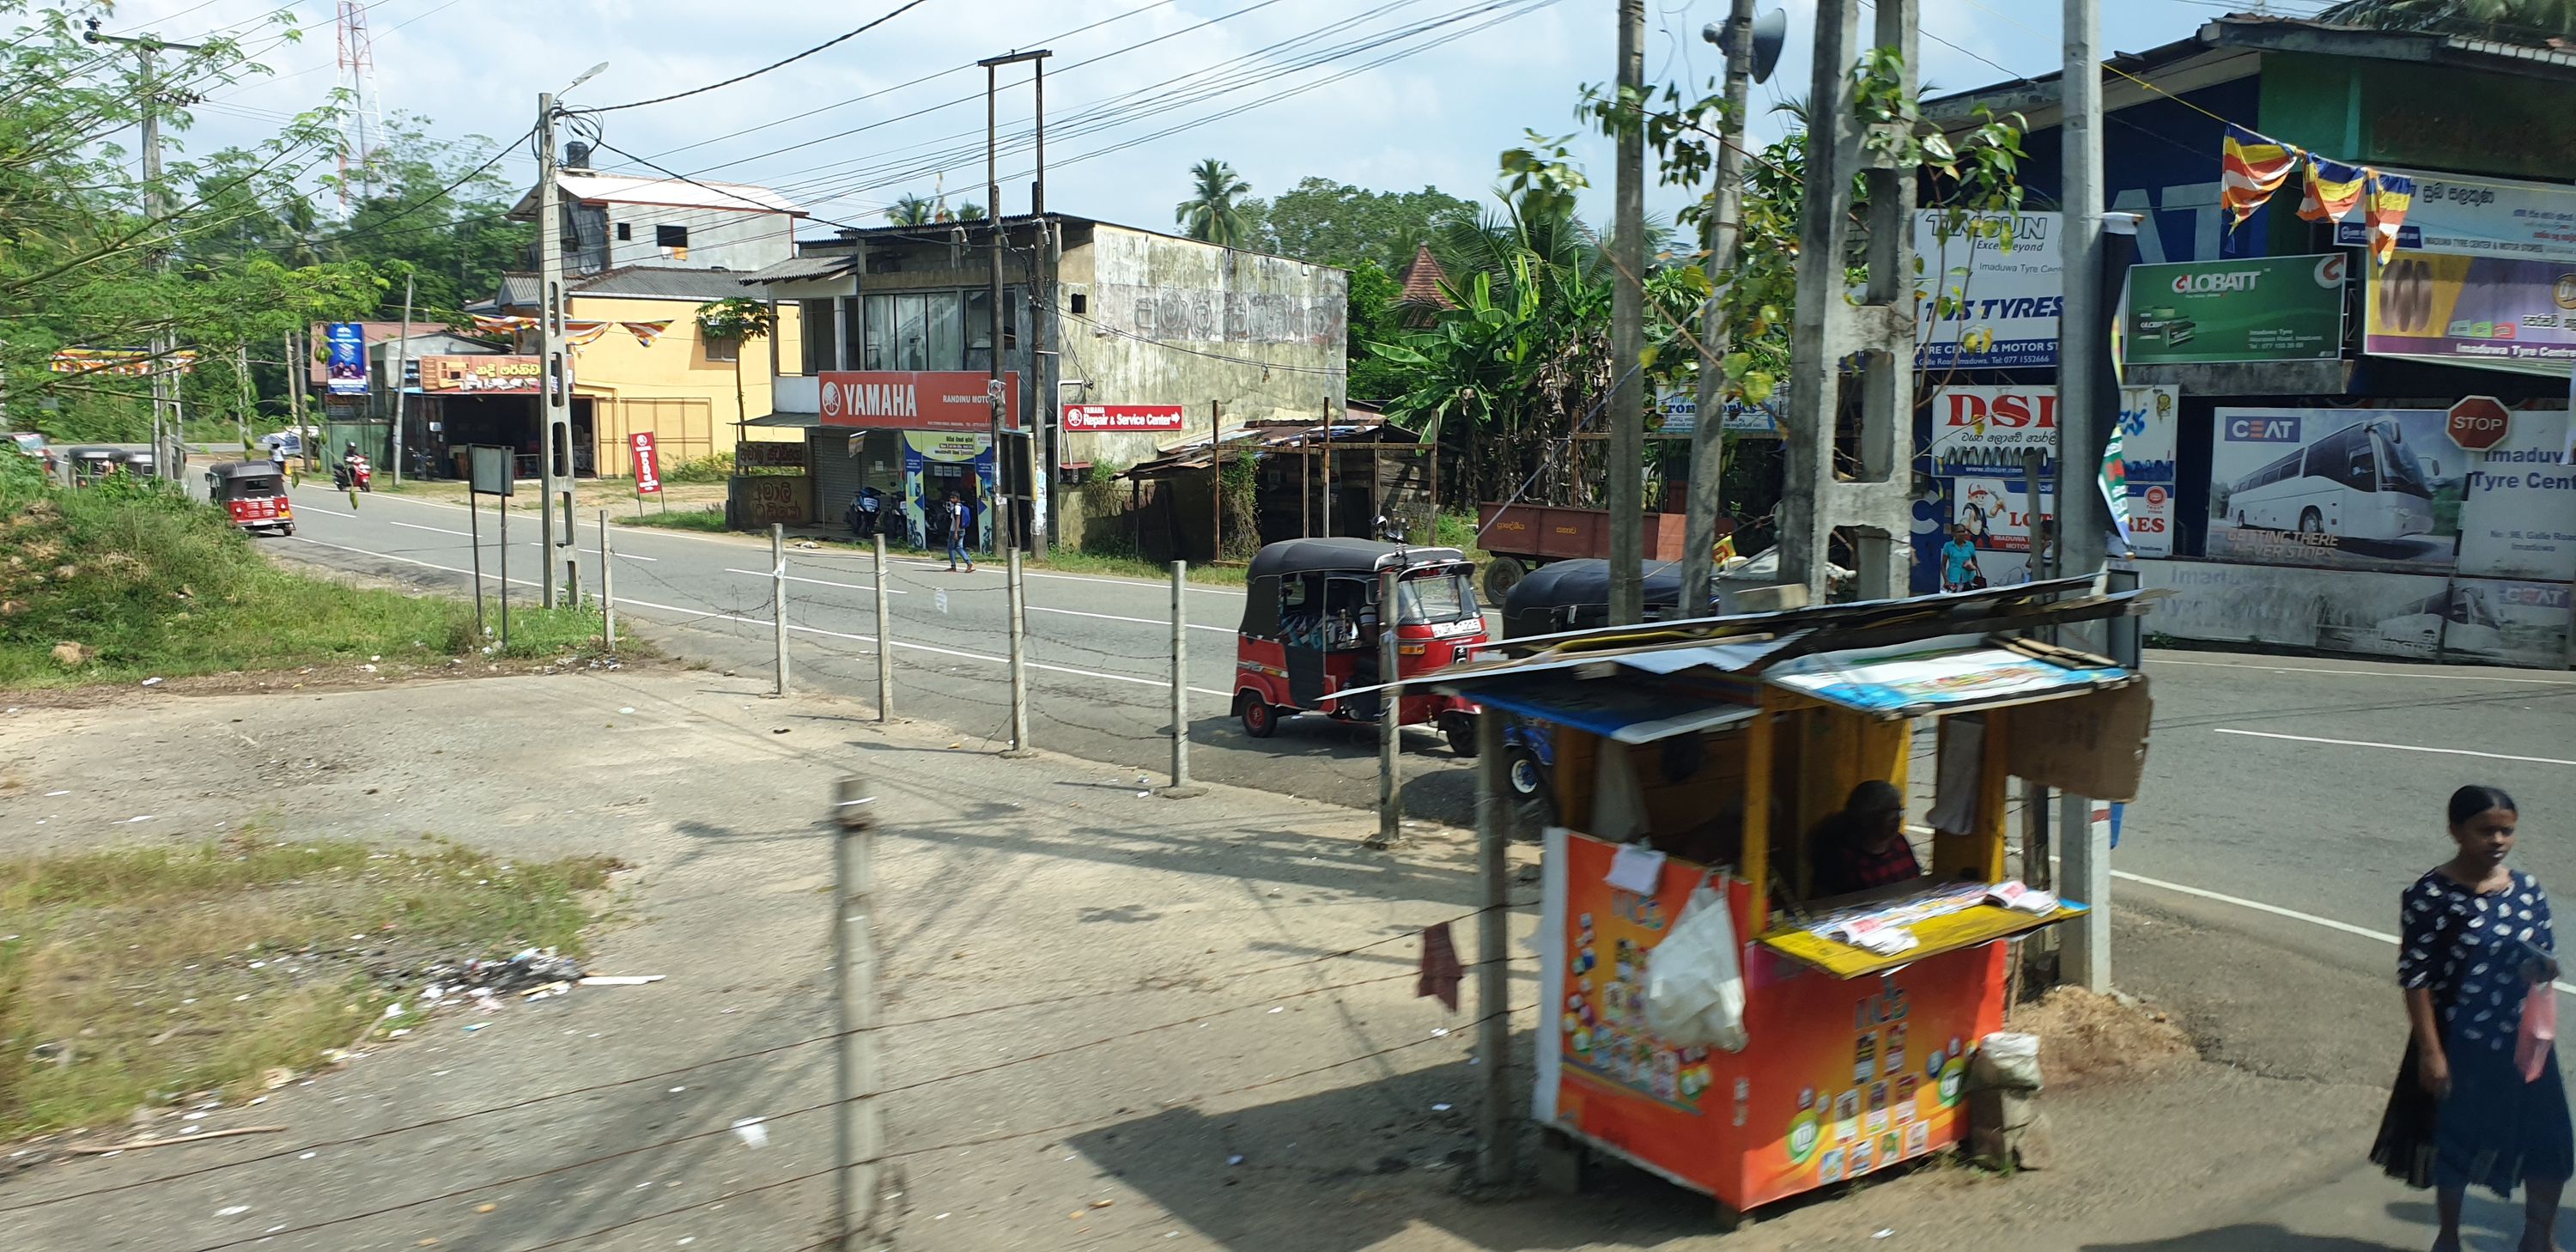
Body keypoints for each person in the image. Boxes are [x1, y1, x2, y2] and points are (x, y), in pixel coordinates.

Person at [2372, 785, 2569, 1252]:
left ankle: (2537, 1236)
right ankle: (2448, 1237)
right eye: (2486, 831)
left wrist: (2540, 968)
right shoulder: (2429, 894)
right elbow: (2416, 978)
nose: (2498, 840)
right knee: (2454, 1143)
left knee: (2549, 1142)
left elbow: (2540, 950)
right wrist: (2431, 1053)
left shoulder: (2527, 889)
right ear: (2456, 831)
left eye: (2507, 831)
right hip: (2460, 1044)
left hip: (2523, 1044)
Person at [1808, 780, 1922, 898]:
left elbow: (1916, 883)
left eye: (1899, 812)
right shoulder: (1840, 858)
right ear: (1867, 817)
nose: (1898, 819)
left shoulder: (1900, 843)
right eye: (1891, 814)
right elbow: (1821, 903)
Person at [1939, 524, 1984, 593]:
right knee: (1953, 598)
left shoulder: (1970, 545)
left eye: (1963, 531)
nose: (1962, 534)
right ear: (1953, 534)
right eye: (1959, 532)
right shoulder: (1948, 546)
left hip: (1968, 579)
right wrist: (1946, 580)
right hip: (1953, 579)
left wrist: (1972, 566)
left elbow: (1974, 560)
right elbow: (1943, 565)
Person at [944, 491, 975, 573]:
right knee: (959, 547)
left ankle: (953, 566)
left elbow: (958, 519)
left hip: (955, 531)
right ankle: (969, 563)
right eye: (950, 498)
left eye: (953, 498)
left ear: (957, 498)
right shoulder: (961, 506)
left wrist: (955, 532)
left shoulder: (957, 507)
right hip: (962, 530)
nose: (951, 499)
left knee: (951, 548)